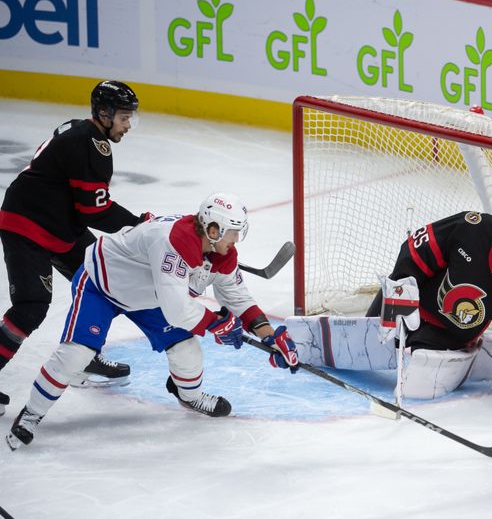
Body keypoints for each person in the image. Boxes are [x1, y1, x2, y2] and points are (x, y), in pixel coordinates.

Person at [5, 193, 299, 451]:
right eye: (233, 232)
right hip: (103, 286)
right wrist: (215, 324)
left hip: (150, 296)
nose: (236, 240)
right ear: (212, 229)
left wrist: (269, 335)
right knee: (75, 355)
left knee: (187, 349)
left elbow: (236, 295)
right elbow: (176, 310)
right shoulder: (175, 243)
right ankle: (32, 412)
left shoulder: (220, 252)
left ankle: (190, 396)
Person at [289, 211, 492, 400]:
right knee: (384, 331)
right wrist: (401, 292)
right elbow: (416, 250)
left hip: (452, 338)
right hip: (413, 310)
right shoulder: (474, 230)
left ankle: (466, 355)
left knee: (423, 377)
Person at [0, 80, 152, 415]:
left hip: (57, 224)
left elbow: (83, 205)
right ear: (104, 113)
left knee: (102, 278)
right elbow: (94, 210)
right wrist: (138, 224)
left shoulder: (85, 133)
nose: (128, 126)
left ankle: (83, 357)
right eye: (124, 117)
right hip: (28, 226)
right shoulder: (91, 146)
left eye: (131, 118)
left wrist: (137, 224)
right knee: (31, 305)